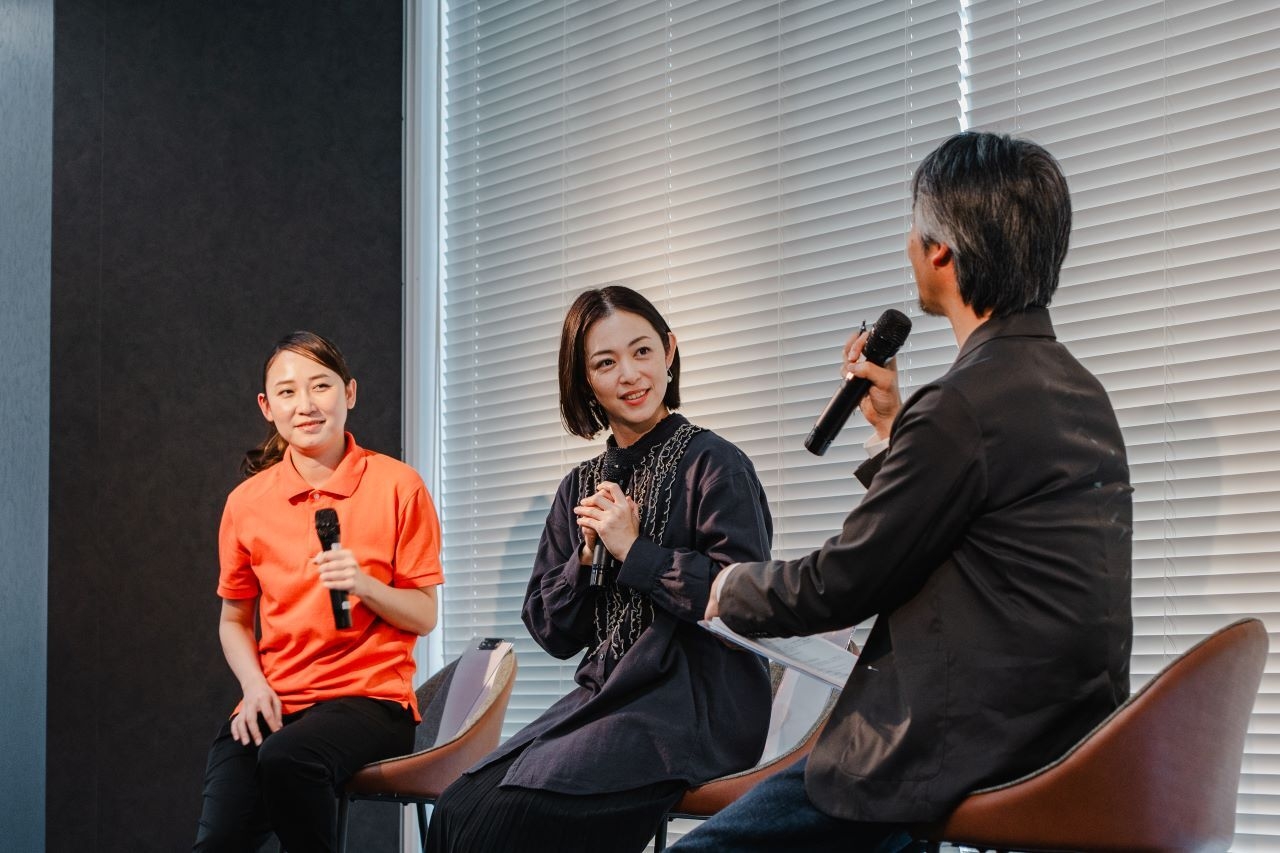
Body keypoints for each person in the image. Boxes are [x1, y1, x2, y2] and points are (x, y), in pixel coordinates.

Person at [669, 132, 1134, 852]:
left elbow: (845, 579)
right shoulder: (1076, 390)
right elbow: (970, 538)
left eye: (913, 230)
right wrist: (893, 428)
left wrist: (722, 589)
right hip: (1058, 735)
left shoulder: (963, 404)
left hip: (956, 746)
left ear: (940, 252)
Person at [425, 286, 775, 853]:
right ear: (586, 380)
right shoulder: (580, 488)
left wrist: (634, 550)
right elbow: (553, 632)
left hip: (695, 703)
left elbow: (743, 602)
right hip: (605, 698)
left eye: (641, 352)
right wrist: (587, 558)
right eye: (606, 363)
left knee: (511, 821)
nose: (630, 375)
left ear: (669, 350)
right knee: (458, 809)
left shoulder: (716, 464)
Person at [193, 331, 444, 852]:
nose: (305, 405)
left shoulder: (399, 486)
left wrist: (365, 585)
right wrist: (255, 687)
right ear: (267, 407)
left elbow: (423, 615)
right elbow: (234, 620)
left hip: (371, 702)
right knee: (219, 837)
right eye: (286, 392)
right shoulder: (246, 503)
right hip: (276, 700)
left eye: (320, 386)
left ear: (349, 393)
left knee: (288, 758)